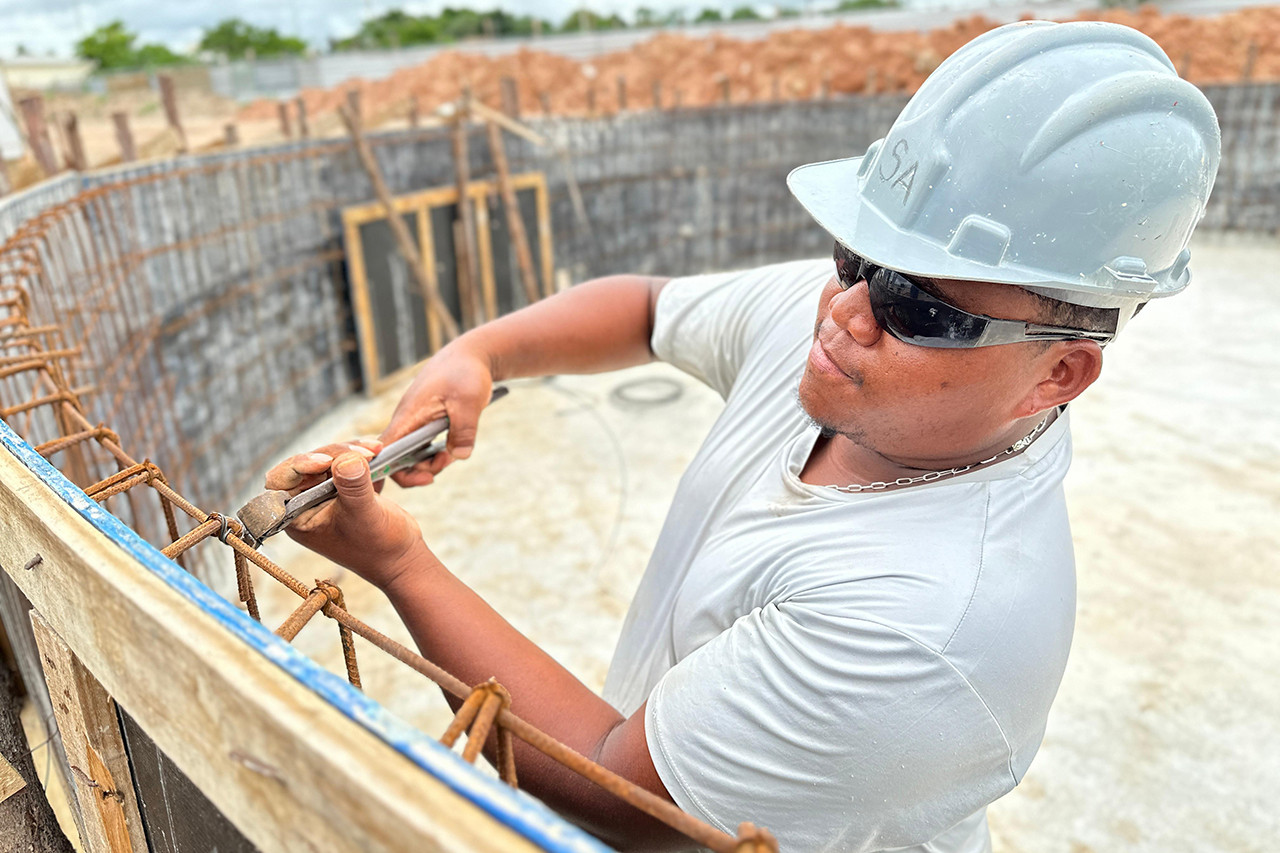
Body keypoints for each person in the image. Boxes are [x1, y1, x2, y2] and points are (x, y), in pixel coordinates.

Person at [265, 20, 1220, 853]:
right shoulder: (850, 341)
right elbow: (643, 309)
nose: (845, 309)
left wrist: (398, 565)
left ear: (1059, 371)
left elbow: (612, 786)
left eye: (918, 303)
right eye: (854, 255)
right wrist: (481, 352)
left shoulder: (929, 624)